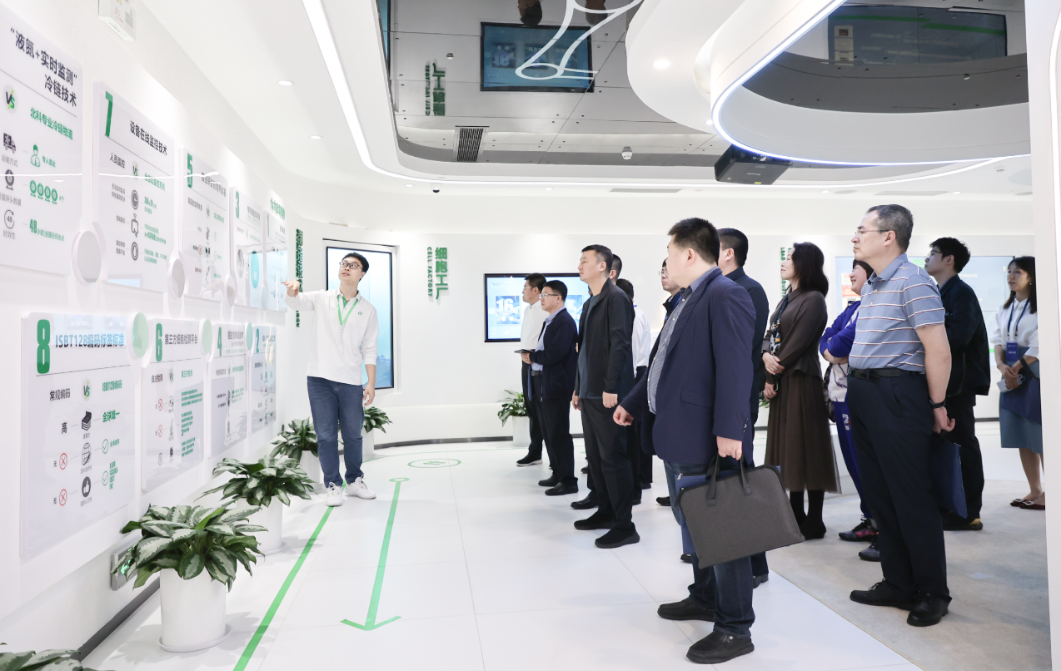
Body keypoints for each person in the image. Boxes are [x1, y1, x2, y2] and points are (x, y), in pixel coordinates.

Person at [615, 218, 757, 665]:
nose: (667, 261)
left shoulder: (725, 294)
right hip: (678, 432)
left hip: (705, 437)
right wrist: (634, 402)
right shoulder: (687, 297)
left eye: (670, 253)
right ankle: (705, 595)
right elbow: (663, 360)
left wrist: (730, 430)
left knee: (721, 534)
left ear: (689, 254)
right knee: (692, 524)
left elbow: (737, 368)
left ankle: (735, 628)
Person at [847, 204, 954, 628]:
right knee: (880, 496)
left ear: (889, 236)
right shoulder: (874, 285)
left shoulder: (914, 282)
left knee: (910, 495)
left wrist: (937, 405)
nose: (855, 237)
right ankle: (898, 582)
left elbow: (938, 351)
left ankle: (932, 592)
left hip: (896, 394)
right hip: (864, 392)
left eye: (862, 230)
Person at [282, 253, 379, 507]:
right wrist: (292, 290)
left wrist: (370, 382)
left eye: (353, 265)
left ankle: (355, 481)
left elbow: (370, 348)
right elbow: (296, 302)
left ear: (362, 274)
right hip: (320, 379)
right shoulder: (322, 298)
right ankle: (333, 485)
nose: (346, 268)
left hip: (350, 381)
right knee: (325, 436)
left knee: (353, 435)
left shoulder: (368, 310)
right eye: (344, 264)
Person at [762, 242, 838, 540]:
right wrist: (765, 356)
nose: (784, 262)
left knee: (808, 448)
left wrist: (772, 370)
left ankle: (814, 519)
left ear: (804, 264)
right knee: (789, 449)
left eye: (790, 258)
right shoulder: (787, 299)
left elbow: (797, 343)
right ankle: (795, 513)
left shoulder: (814, 299)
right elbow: (770, 334)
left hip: (802, 380)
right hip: (784, 381)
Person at [571, 244, 638, 548]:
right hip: (589, 392)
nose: (579, 265)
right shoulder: (590, 302)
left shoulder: (616, 298)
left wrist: (612, 387)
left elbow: (620, 344)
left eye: (584, 261)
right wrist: (578, 386)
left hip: (606, 393)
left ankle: (625, 525)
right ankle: (606, 511)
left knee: (613, 457)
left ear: (602, 266)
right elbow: (583, 350)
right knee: (596, 458)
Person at [925, 238, 991, 530]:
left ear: (949, 259)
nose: (927, 258)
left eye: (933, 253)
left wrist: (927, 342)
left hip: (958, 385)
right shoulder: (939, 292)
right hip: (943, 383)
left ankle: (969, 513)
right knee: (945, 446)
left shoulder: (962, 293)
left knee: (963, 444)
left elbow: (959, 336)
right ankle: (950, 506)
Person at [718, 227, 771, 586]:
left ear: (728, 253)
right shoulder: (720, 288)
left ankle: (755, 565)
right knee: (730, 483)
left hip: (737, 400)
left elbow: (738, 349)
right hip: (726, 400)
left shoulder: (747, 289)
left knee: (741, 482)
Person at [821, 260, 879, 560]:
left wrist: (834, 349)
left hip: (860, 394)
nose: (851, 273)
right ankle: (870, 519)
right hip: (842, 394)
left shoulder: (872, 306)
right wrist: (833, 350)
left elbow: (839, 343)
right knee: (854, 463)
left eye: (856, 268)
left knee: (865, 463)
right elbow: (827, 339)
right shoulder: (852, 307)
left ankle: (882, 526)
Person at [992, 257, 1043, 511]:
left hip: (1033, 370)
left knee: (1040, 434)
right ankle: (1035, 489)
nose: (1011, 277)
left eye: (1018, 272)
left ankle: (1053, 493)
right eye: (1009, 272)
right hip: (1011, 370)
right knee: (1021, 434)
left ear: (1031, 277)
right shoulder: (1006, 308)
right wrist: (1002, 366)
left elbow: (1040, 343)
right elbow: (997, 340)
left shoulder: (1042, 307)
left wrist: (1018, 366)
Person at [523, 280, 580, 495]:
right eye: (541, 295)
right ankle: (557, 473)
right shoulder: (551, 320)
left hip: (556, 385)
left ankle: (568, 480)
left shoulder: (564, 321)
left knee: (558, 433)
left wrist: (533, 356)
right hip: (544, 382)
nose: (542, 299)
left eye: (545, 294)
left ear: (558, 298)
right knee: (549, 432)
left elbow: (555, 353)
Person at [616, 278, 652, 498]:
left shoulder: (635, 315)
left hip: (635, 373)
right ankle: (640, 477)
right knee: (634, 430)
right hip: (634, 373)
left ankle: (640, 479)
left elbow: (633, 349)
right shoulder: (632, 313)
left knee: (634, 431)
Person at [654, 258, 683, 510]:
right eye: (661, 270)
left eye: (668, 269)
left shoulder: (689, 303)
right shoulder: (672, 305)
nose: (664, 274)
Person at [517, 273, 548, 467]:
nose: (523, 292)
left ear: (535, 290)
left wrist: (533, 355)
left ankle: (553, 456)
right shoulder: (528, 310)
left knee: (543, 410)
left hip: (540, 365)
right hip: (526, 363)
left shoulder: (544, 310)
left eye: (525, 288)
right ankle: (535, 452)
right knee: (531, 408)